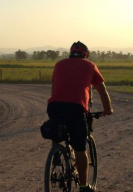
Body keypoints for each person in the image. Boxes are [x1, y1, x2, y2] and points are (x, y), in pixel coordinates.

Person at [47, 41, 113, 192]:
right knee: (79, 149)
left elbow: (54, 87)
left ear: (70, 53)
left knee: (57, 128)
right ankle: (83, 187)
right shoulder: (90, 65)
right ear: (86, 54)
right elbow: (101, 90)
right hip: (76, 109)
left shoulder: (59, 65)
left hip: (54, 106)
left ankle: (56, 153)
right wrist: (108, 109)